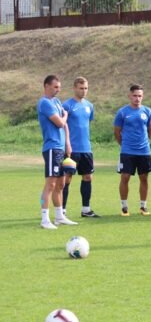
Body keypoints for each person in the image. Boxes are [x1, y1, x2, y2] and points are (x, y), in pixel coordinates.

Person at [37, 74, 76, 229]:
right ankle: (44, 219)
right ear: (46, 86)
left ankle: (59, 217)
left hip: (60, 148)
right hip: (52, 148)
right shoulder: (44, 103)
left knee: (61, 184)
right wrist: (65, 115)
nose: (58, 90)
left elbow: (65, 126)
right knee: (50, 184)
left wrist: (68, 143)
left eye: (59, 87)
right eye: (55, 87)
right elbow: (60, 123)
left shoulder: (57, 102)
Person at [61, 77, 99, 218]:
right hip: (71, 149)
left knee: (88, 177)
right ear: (74, 88)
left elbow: (86, 123)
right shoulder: (67, 105)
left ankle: (86, 210)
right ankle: (62, 210)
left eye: (86, 88)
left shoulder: (89, 106)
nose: (84, 91)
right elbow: (62, 126)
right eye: (81, 88)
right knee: (67, 178)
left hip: (86, 149)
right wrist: (66, 144)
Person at [113, 84, 151, 216]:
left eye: (139, 96)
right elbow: (117, 132)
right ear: (129, 96)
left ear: (143, 96)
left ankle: (143, 206)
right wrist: (124, 144)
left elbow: (150, 130)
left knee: (144, 178)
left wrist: (145, 142)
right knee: (125, 177)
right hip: (127, 151)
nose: (137, 98)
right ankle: (124, 207)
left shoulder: (147, 111)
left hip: (144, 151)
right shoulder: (122, 112)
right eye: (135, 96)